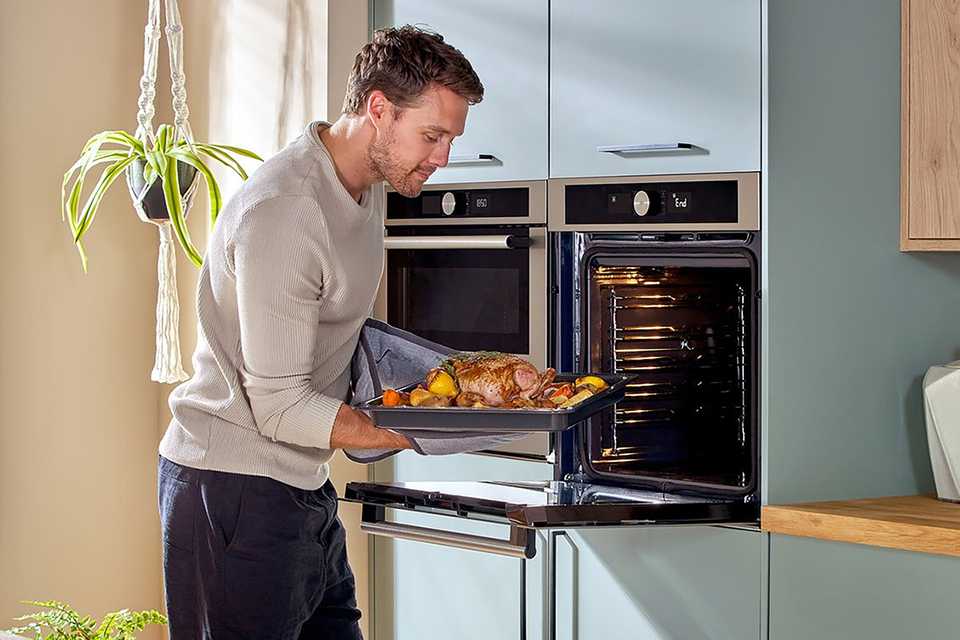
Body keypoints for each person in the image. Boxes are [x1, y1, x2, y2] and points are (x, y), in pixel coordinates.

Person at [156, 25, 483, 639]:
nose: (442, 158)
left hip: (301, 481)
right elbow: (278, 405)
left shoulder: (364, 189)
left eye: (450, 140)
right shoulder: (286, 211)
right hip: (233, 487)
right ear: (378, 110)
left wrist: (460, 390)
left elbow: (339, 335)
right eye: (432, 135)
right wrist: (418, 432)